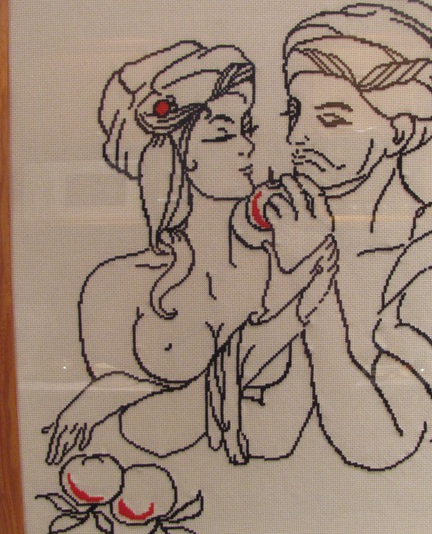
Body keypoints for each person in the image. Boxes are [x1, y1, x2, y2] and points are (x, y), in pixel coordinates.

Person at [44, 41, 337, 466]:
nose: (246, 146)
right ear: (175, 159)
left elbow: (284, 431)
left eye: (246, 128)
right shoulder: (115, 286)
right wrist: (285, 317)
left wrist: (109, 396)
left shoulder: (283, 262)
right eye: (222, 133)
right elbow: (139, 434)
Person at [278, 0, 432, 470]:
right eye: (294, 112)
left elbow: (382, 440)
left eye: (331, 117)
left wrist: (311, 275)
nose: (296, 137)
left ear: (401, 132)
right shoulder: (289, 227)